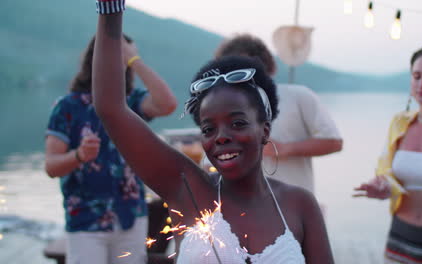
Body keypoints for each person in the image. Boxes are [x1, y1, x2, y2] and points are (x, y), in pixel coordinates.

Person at [91, 3, 334, 263]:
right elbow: (111, 108)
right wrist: (110, 10)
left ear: (264, 131)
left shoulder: (300, 205)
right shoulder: (186, 189)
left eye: (238, 123)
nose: (221, 136)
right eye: (208, 128)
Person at [44, 34, 177, 264]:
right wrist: (79, 155)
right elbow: (51, 167)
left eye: (120, 58)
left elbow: (167, 104)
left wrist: (135, 59)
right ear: (93, 61)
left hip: (131, 217)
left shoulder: (131, 102)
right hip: (86, 221)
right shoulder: (68, 107)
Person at [353, 30, 422, 264]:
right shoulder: (400, 122)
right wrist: (383, 187)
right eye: (416, 76)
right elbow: (385, 170)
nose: (421, 84)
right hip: (399, 240)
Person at [214, 34, 343, 193]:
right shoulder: (223, 109)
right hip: (243, 209)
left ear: (265, 66)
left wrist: (285, 149)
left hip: (294, 208)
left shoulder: (299, 96)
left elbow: (334, 142)